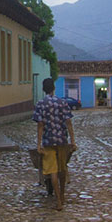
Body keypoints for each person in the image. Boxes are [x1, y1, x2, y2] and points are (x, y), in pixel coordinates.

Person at [32, 77, 77, 211]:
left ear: (43, 89)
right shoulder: (62, 102)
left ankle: (57, 200)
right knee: (62, 169)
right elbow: (69, 122)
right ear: (54, 88)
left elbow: (40, 125)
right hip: (62, 140)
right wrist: (72, 141)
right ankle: (62, 196)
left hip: (48, 141)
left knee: (52, 172)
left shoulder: (40, 104)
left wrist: (39, 144)